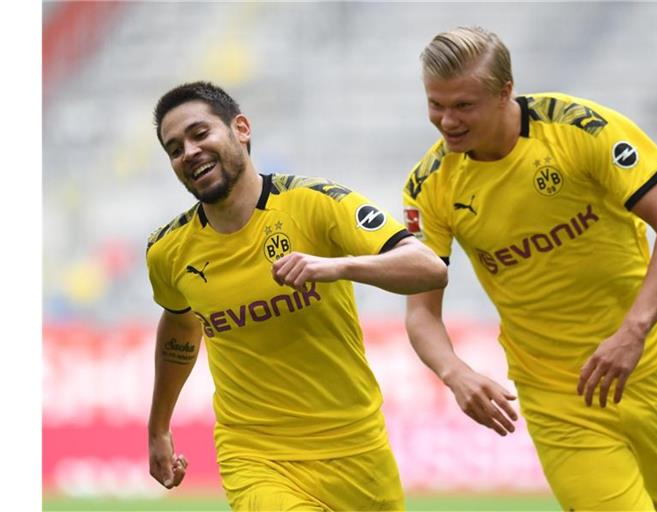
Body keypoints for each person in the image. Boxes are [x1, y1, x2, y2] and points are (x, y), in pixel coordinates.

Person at [402, 27, 657, 511]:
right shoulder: (430, 185)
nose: (447, 121)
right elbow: (421, 313)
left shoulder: (581, 131)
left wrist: (632, 332)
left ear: (505, 93)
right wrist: (454, 371)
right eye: (436, 104)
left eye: (463, 105)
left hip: (646, 365)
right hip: (554, 393)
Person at [145, 81, 447, 510]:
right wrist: (158, 427)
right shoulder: (168, 252)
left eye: (199, 134)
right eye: (174, 149)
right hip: (255, 454)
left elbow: (429, 268)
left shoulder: (314, 203)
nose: (189, 152)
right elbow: (180, 324)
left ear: (242, 129)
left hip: (356, 449)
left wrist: (337, 266)